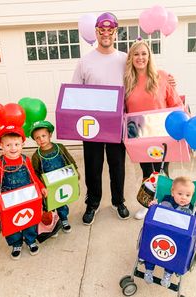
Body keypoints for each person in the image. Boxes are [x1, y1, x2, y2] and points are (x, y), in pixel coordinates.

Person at [72, 12, 130, 225]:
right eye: (101, 30)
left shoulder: (125, 59)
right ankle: (93, 202)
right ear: (96, 32)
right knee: (93, 164)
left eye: (110, 30)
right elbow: (75, 92)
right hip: (91, 123)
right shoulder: (85, 61)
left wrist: (166, 79)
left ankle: (118, 201)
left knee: (117, 164)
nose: (105, 34)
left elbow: (144, 75)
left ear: (115, 32)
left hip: (117, 122)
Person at [124, 39, 184, 220]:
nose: (140, 57)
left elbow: (176, 103)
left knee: (161, 172)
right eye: (136, 54)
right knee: (147, 173)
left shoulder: (162, 76)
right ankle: (147, 205)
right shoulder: (127, 80)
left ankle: (166, 204)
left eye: (144, 54)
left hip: (162, 134)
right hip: (139, 135)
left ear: (149, 56)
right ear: (131, 58)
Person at [0, 125, 47, 260]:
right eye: (8, 145)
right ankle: (16, 243)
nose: (13, 148)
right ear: (1, 145)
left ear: (22, 144)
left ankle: (30, 240)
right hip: (8, 199)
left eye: (17, 144)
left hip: (26, 196)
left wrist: (41, 187)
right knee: (10, 223)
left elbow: (33, 176)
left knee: (29, 219)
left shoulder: (25, 160)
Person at [144, 176, 195, 288]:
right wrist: (153, 205)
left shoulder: (190, 209)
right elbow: (154, 213)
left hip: (176, 236)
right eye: (180, 194)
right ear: (172, 193)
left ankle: (167, 275)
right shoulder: (165, 201)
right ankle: (148, 270)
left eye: (188, 195)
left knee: (175, 254)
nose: (183, 198)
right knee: (151, 251)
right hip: (159, 231)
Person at [30, 120, 79, 234]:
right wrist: (40, 186)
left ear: (50, 135)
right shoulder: (36, 156)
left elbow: (69, 159)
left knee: (61, 201)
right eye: (37, 138)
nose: (41, 139)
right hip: (48, 185)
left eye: (43, 136)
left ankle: (64, 218)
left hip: (62, 180)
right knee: (50, 204)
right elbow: (35, 172)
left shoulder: (60, 147)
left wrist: (75, 171)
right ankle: (53, 223)